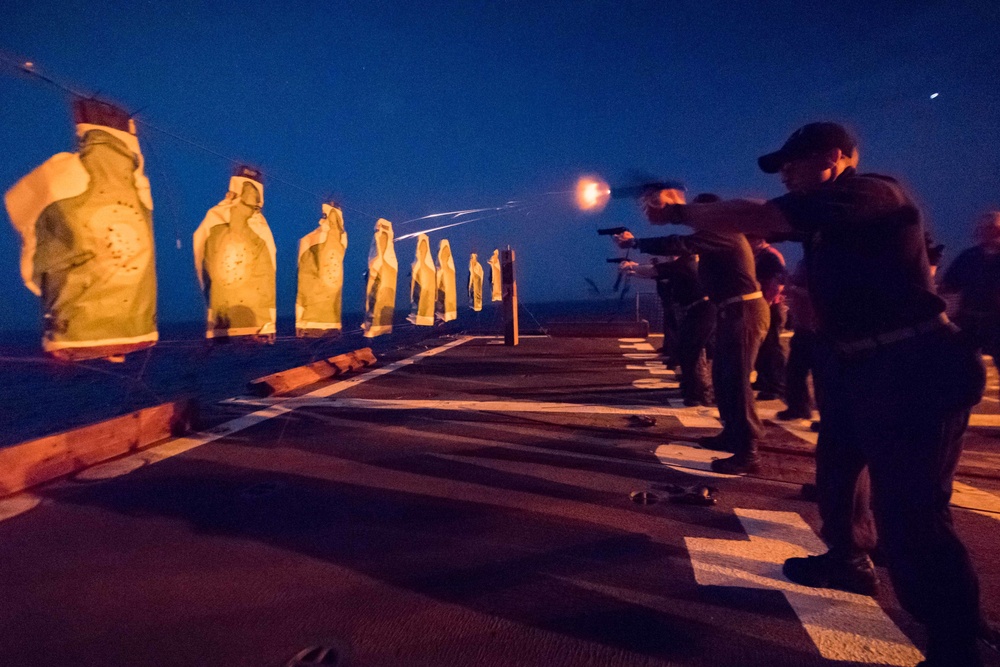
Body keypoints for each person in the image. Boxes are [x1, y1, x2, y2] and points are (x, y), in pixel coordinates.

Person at [641, 122, 986, 667]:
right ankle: (847, 558)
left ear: (833, 157)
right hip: (860, 363)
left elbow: (763, 216)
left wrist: (683, 211)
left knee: (913, 514)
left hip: (913, 366)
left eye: (792, 165)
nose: (786, 176)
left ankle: (957, 642)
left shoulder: (872, 191)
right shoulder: (829, 219)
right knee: (836, 468)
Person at [615, 193, 769, 474]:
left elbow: (681, 244)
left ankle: (748, 451)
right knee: (723, 379)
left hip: (743, 311)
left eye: (700, 212)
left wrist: (636, 242)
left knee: (735, 381)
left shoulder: (723, 231)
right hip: (730, 311)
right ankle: (732, 434)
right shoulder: (718, 235)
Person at [622, 254, 715, 406]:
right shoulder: (688, 264)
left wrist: (631, 266)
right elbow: (658, 273)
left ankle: (699, 393)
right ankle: (694, 390)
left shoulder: (685, 263)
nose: (668, 256)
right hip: (699, 309)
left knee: (692, 352)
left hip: (700, 310)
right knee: (691, 351)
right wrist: (636, 270)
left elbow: (656, 270)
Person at [940, 212, 1000, 397]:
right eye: (985, 228)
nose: (989, 232)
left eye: (993, 228)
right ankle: (962, 405)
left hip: (997, 322)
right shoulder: (968, 257)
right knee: (962, 364)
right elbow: (949, 285)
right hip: (970, 320)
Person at [776, 260, 819, 421]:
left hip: (814, 327)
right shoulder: (805, 262)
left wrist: (793, 288)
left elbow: (816, 292)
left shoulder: (818, 263)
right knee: (795, 370)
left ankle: (826, 418)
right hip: (803, 325)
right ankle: (798, 407)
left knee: (819, 375)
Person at [748, 235, 788, 400]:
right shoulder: (761, 255)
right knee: (763, 346)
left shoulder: (769, 256)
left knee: (772, 346)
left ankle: (776, 386)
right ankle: (764, 380)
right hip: (766, 304)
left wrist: (766, 303)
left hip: (771, 305)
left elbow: (776, 282)